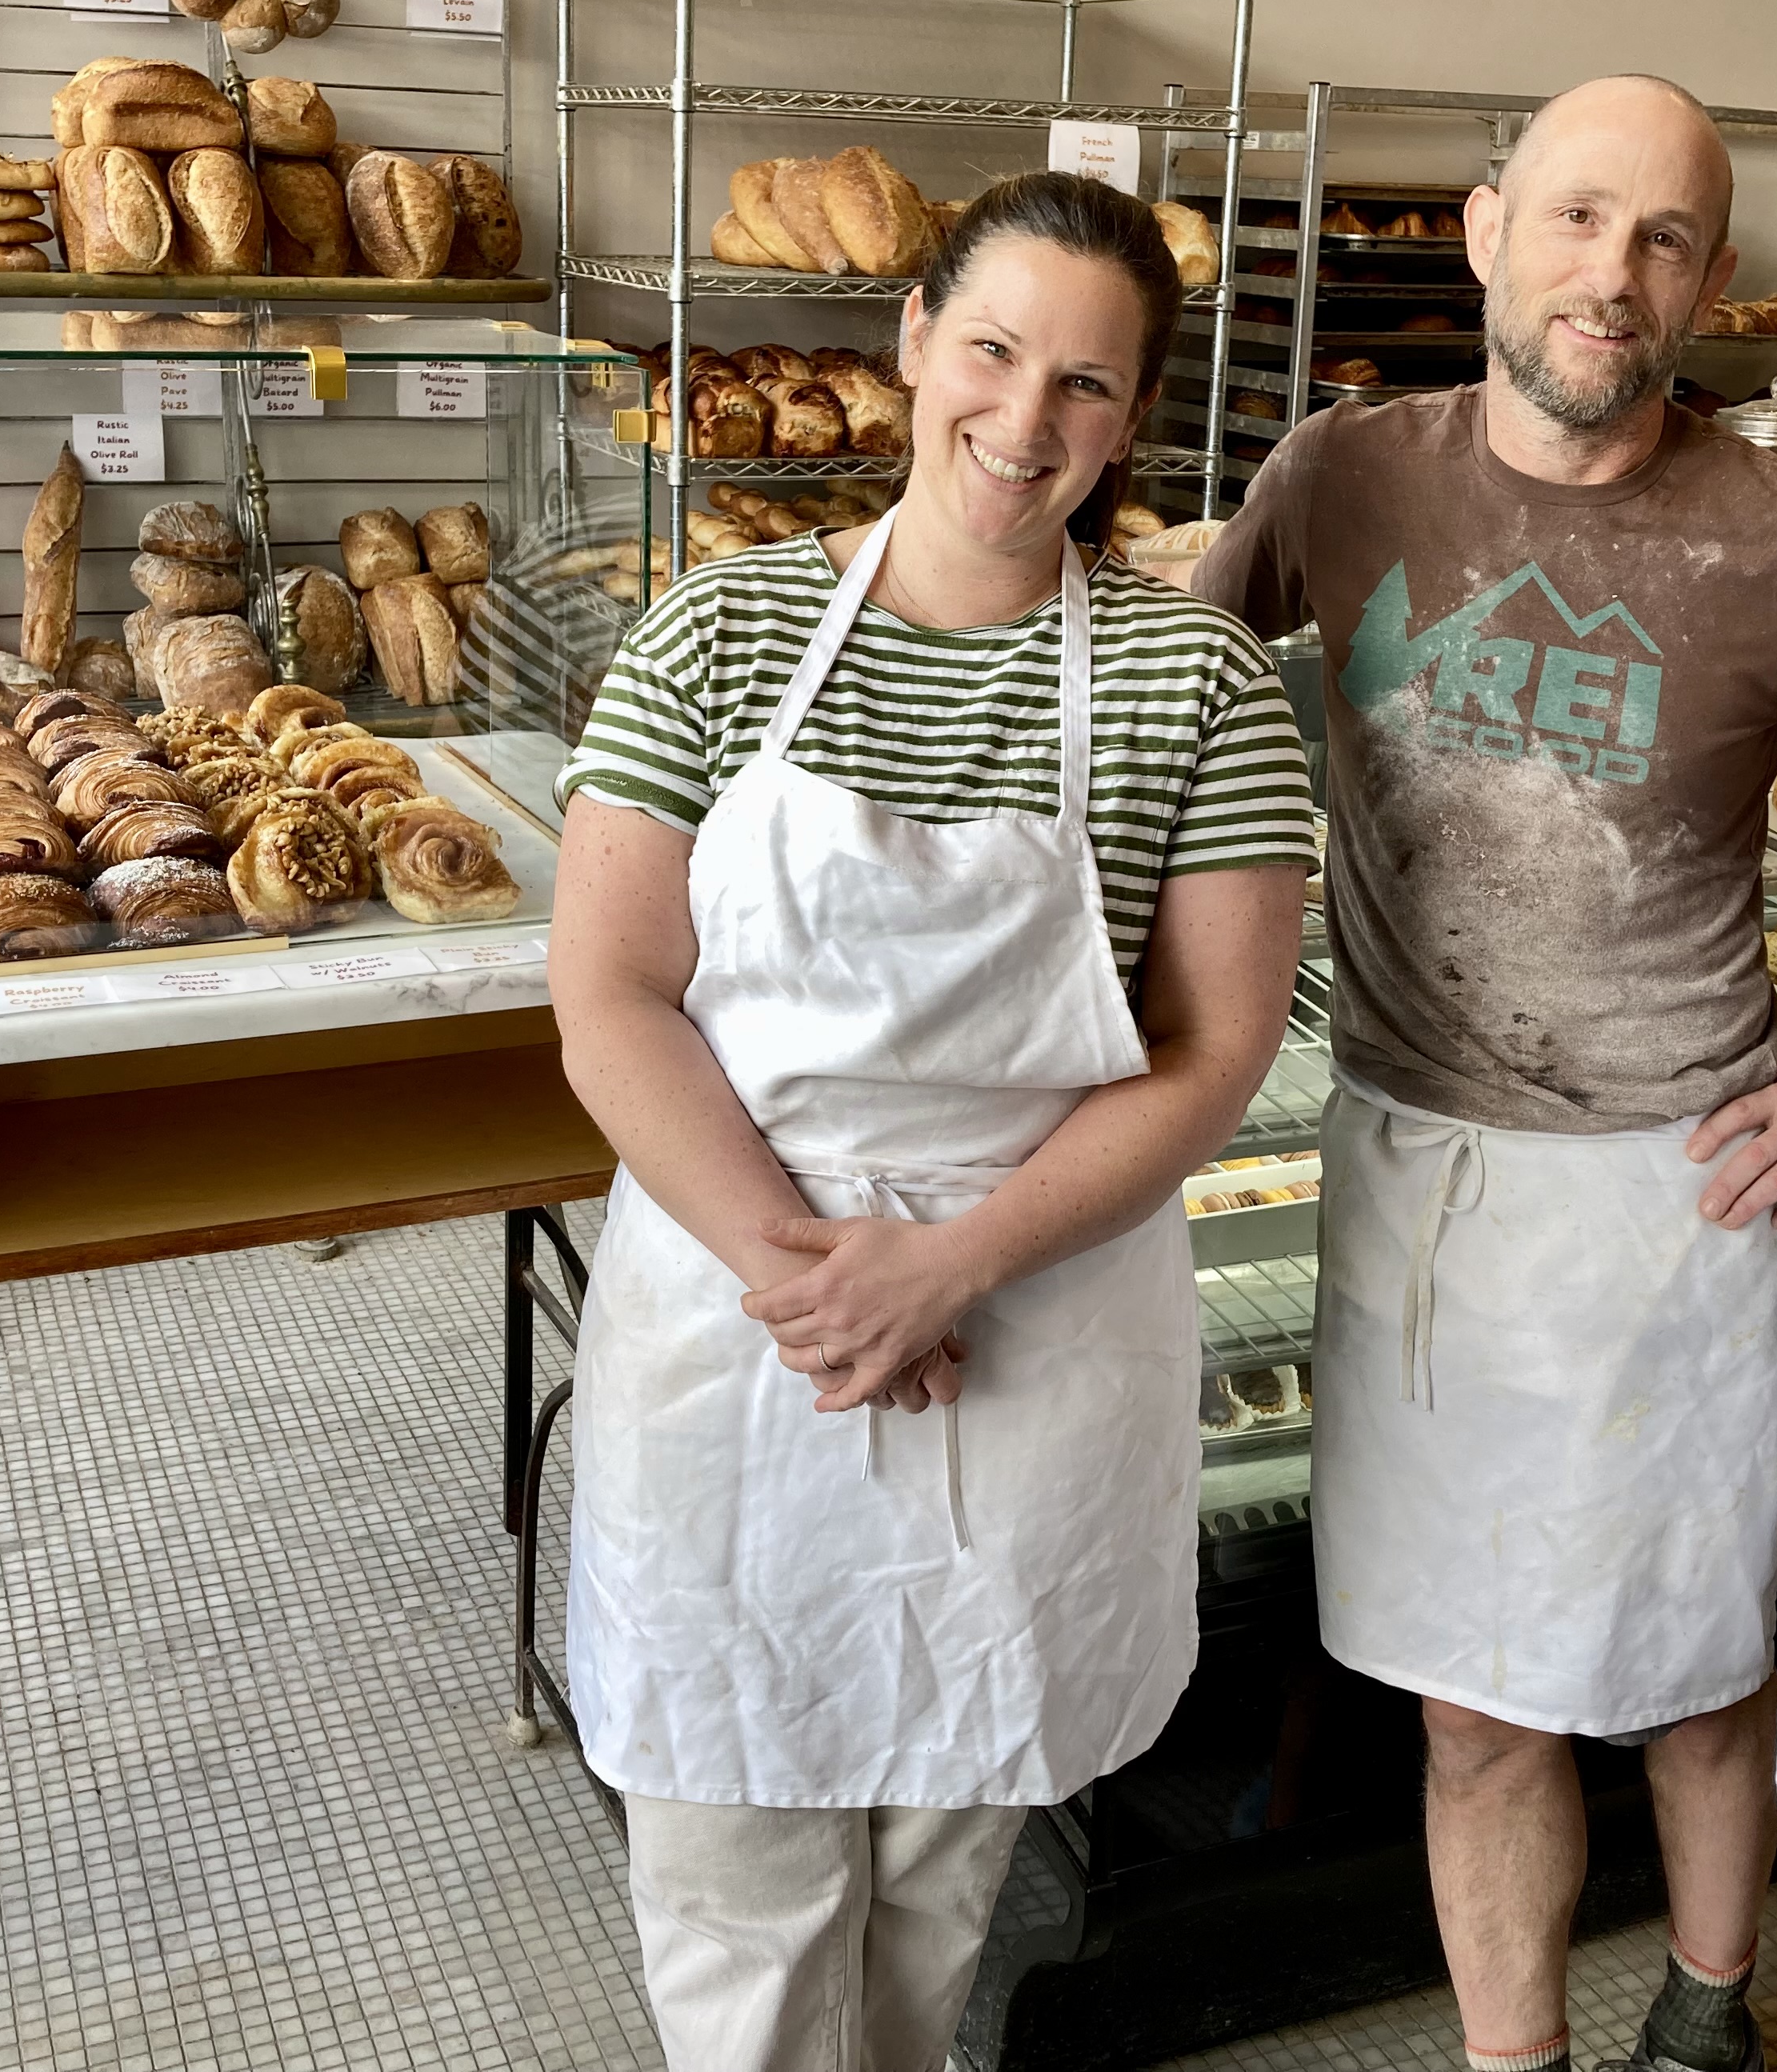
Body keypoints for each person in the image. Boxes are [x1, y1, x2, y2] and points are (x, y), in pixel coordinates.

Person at [1195, 75, 1777, 2072]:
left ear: (1704, 287)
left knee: (1694, 1668)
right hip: (1416, 1171)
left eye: (1668, 239)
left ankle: (1711, 2004)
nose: (1615, 275)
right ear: (1487, 227)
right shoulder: (1344, 475)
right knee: (1469, 1699)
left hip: (1673, 1193)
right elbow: (1161, 687)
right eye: (1583, 220)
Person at [546, 170, 1318, 2072]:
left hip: (1027, 1311)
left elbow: (1209, 1056)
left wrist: (954, 1263)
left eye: (1087, 383)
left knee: (940, 1848)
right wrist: (811, 1284)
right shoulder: (713, 635)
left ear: (1135, 418)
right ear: (908, 343)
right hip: (747, 1321)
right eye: (991, 350)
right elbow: (611, 996)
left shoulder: (1193, 679)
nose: (1024, 418)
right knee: (734, 1858)